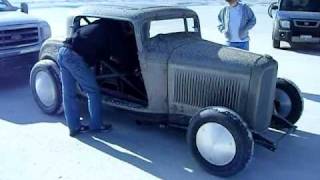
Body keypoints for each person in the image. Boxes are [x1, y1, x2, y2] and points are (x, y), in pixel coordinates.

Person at [57, 19, 112, 137]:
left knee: (68, 93)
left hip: (62, 52)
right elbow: (109, 54)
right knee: (93, 91)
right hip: (74, 58)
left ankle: (74, 127)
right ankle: (96, 125)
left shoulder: (94, 26)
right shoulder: (110, 32)